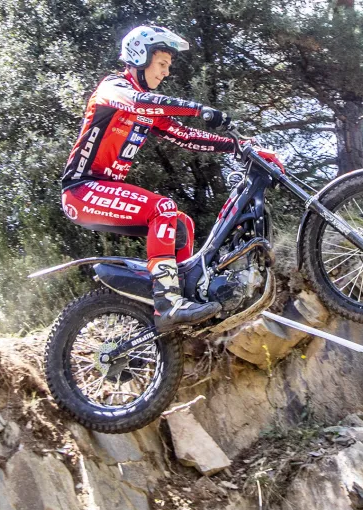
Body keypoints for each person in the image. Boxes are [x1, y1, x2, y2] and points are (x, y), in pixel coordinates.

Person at [61, 25, 281, 332]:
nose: (165, 73)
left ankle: (178, 299)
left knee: (181, 225)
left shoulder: (146, 105)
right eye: (162, 64)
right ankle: (168, 303)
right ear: (141, 56)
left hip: (105, 189)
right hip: (81, 191)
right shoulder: (112, 89)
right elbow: (140, 103)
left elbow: (185, 136)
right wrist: (200, 109)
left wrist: (238, 145)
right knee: (162, 208)